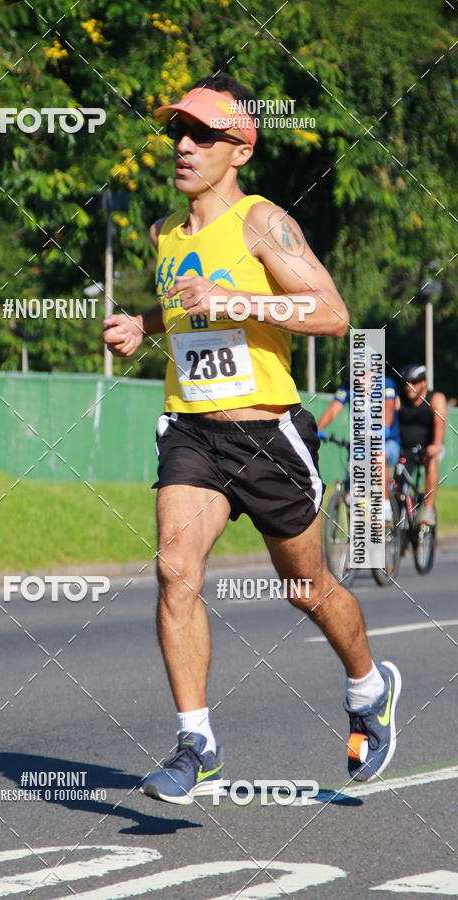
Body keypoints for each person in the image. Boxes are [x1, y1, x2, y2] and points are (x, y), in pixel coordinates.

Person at [102, 74, 401, 804]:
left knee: (306, 588)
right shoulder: (165, 234)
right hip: (192, 431)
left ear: (238, 149)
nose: (183, 145)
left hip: (267, 435)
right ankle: (195, 741)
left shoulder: (264, 222)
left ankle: (368, 688)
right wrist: (145, 325)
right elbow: (184, 304)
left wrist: (236, 298)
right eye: (179, 130)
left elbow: (333, 312)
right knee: (175, 567)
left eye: (202, 134)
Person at [317, 373, 401, 522]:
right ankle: (358, 509)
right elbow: (333, 410)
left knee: (379, 456)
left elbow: (388, 407)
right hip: (363, 441)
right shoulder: (348, 386)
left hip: (388, 441)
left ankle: (385, 507)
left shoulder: (386, 383)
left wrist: (384, 429)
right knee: (353, 467)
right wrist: (316, 429)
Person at [398, 363, 446, 526]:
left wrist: (436, 444)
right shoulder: (400, 399)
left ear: (424, 382)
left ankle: (428, 509)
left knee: (431, 461)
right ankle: (400, 516)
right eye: (406, 382)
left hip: (428, 448)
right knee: (397, 482)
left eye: (414, 382)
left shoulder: (435, 399)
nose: (409, 386)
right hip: (405, 450)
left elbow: (439, 423)